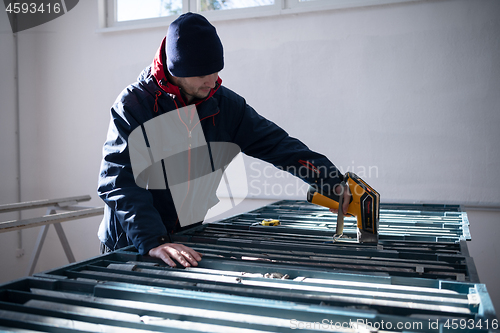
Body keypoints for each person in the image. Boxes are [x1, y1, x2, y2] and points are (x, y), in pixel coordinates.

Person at [97, 12, 350, 268]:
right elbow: (119, 182)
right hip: (132, 242)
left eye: (215, 70)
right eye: (201, 74)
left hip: (185, 238)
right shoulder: (133, 106)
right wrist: (154, 240)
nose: (212, 80)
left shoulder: (224, 105)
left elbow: (278, 145)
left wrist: (330, 180)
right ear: (176, 70)